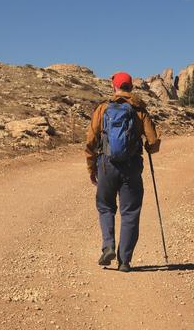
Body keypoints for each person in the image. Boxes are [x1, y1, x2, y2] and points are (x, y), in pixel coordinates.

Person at [85, 71, 160, 272]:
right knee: (130, 212)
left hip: (106, 165)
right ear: (131, 88)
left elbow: (90, 142)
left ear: (114, 87)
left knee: (106, 207)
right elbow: (153, 142)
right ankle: (124, 261)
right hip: (131, 167)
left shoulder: (102, 109)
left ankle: (108, 245)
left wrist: (91, 167)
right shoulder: (139, 110)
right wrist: (147, 146)